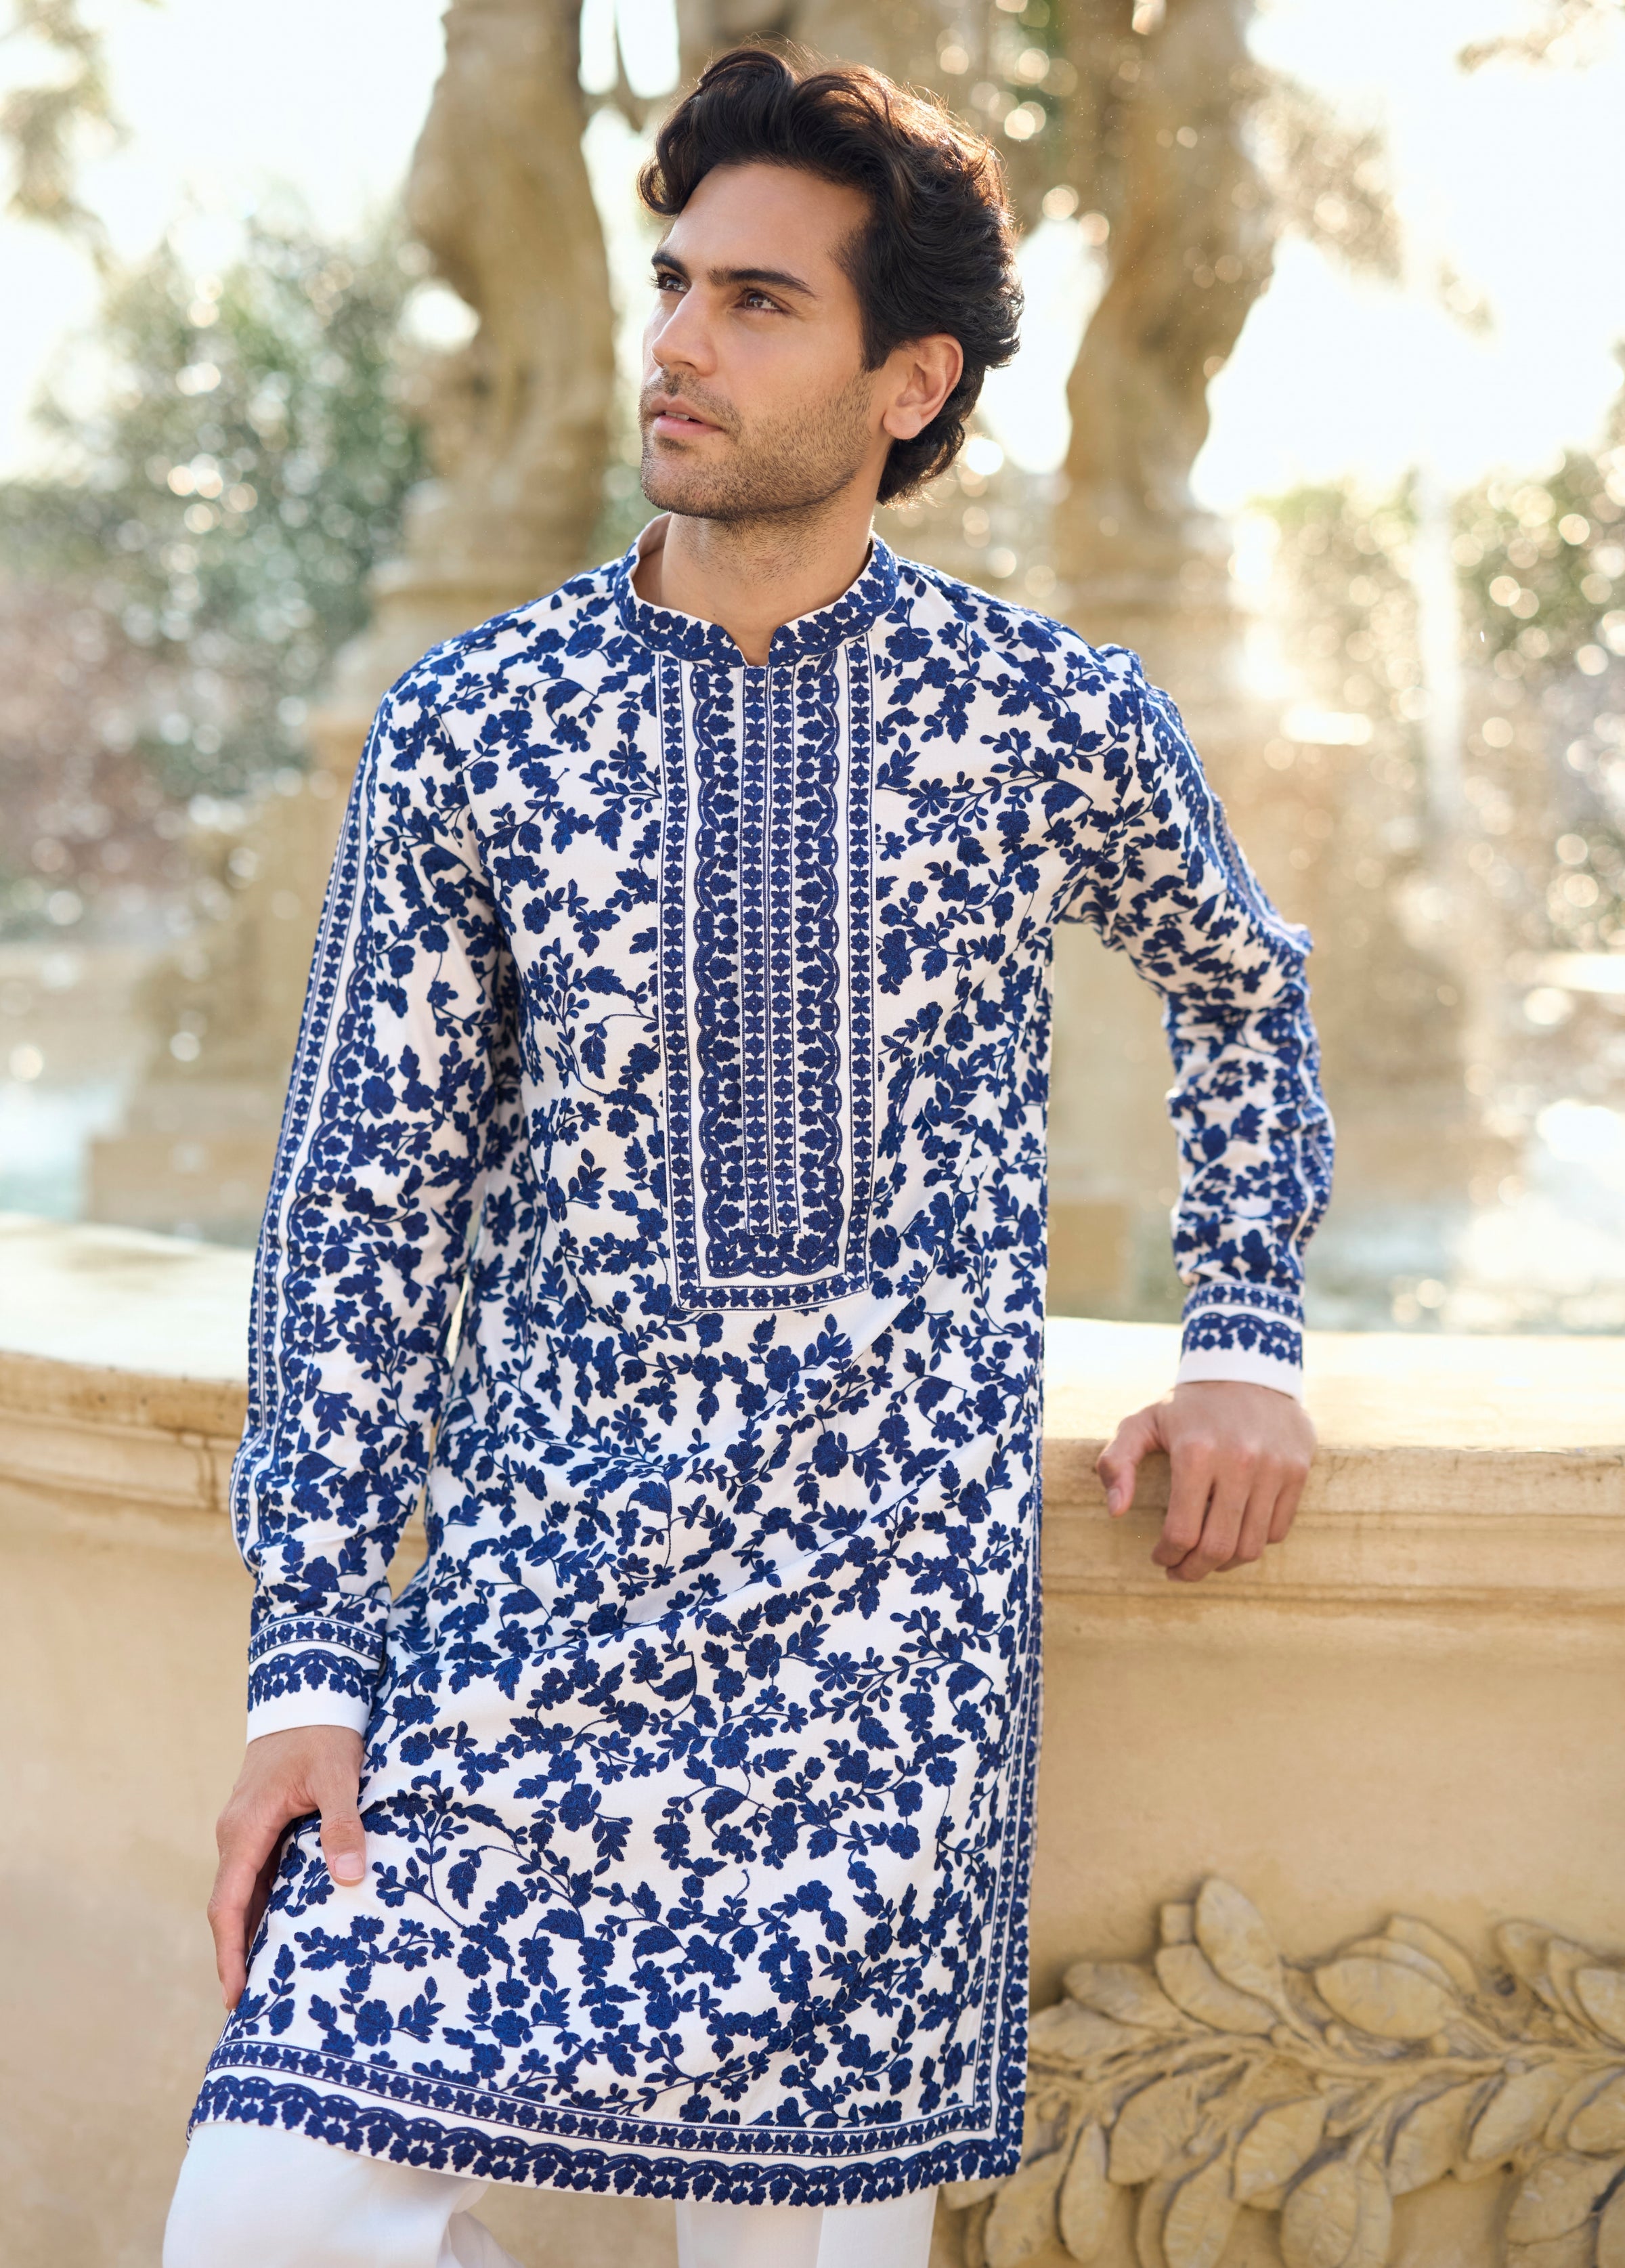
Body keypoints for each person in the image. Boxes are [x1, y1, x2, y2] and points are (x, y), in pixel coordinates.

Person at [164, 45, 1330, 2268]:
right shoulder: (472, 725)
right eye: (677, 285)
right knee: (260, 2228)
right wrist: (310, 1662)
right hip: (520, 1646)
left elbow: (1243, 989)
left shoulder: (1046, 715)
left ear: (910, 382)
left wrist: (1244, 1331)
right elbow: (359, 1214)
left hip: (881, 1683)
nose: (680, 342)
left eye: (758, 301)